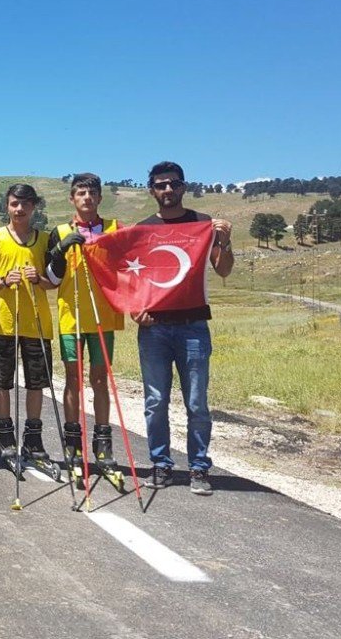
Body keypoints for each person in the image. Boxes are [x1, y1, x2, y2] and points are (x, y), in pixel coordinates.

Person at [134, 161, 234, 495]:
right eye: (160, 185)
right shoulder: (143, 229)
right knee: (155, 401)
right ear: (152, 190)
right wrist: (135, 309)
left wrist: (225, 241)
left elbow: (223, 271)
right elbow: (133, 277)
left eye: (173, 184)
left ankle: (199, 469)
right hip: (154, 329)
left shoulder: (203, 224)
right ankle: (161, 465)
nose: (167, 190)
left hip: (193, 326)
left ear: (183, 187)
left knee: (196, 403)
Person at [46, 173, 126, 490]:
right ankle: (73, 444)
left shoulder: (114, 229)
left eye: (92, 192)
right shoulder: (61, 231)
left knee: (99, 379)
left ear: (99, 198)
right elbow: (51, 279)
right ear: (72, 199)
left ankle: (103, 445)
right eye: (80, 193)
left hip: (103, 317)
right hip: (71, 316)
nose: (87, 198)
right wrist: (60, 251)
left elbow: (129, 266)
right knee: (73, 379)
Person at [0, 184, 55, 473]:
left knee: (36, 383)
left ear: (34, 206)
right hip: (3, 321)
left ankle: (33, 440)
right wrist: (2, 280)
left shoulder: (45, 239)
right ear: (7, 206)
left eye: (25, 204)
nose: (19, 209)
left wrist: (38, 278)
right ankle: (6, 437)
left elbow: (54, 282)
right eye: (14, 204)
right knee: (2, 381)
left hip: (36, 323)